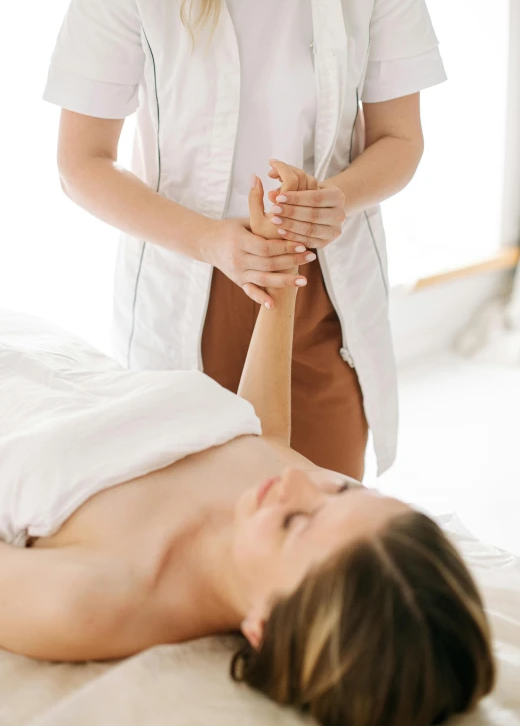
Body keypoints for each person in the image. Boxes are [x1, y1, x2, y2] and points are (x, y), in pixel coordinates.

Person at [0, 178, 494, 726]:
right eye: (340, 489)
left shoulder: (95, 600)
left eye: (296, 524)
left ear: (263, 625)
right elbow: (263, 437)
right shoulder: (282, 493)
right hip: (39, 347)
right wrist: (278, 276)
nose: (300, 482)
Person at [43, 0, 448, 480]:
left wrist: (339, 198)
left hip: (322, 295)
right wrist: (211, 241)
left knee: (324, 522)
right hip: (192, 292)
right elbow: (81, 164)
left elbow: (401, 139)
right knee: (204, 517)